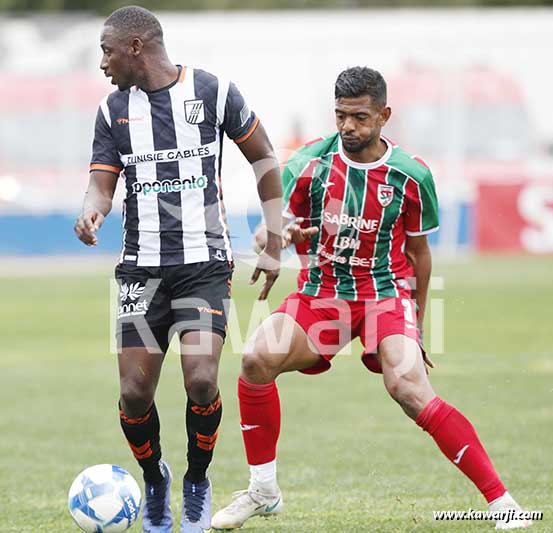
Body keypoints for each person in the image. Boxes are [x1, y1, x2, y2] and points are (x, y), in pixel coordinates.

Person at [211, 67, 531, 531]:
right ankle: (263, 491)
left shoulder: (411, 175)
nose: (348, 126)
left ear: (384, 115)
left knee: (409, 388)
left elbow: (419, 254)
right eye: (340, 115)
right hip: (322, 293)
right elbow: (270, 226)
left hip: (384, 294)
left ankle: (503, 503)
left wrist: (417, 323)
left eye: (360, 117)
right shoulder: (309, 163)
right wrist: (274, 238)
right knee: (257, 358)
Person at [74, 6, 282, 533]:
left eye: (107, 52)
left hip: (203, 266)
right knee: (134, 394)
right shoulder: (112, 110)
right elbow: (102, 182)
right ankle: (154, 478)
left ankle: (196, 481)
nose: (103, 63)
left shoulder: (213, 91)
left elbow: (264, 158)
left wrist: (275, 236)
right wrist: (92, 209)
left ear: (136, 47)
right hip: (140, 271)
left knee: (202, 380)